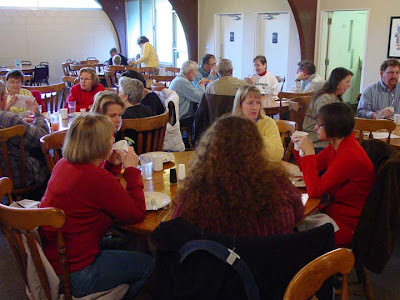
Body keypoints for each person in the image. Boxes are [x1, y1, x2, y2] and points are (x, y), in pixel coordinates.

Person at [40, 114, 154, 299]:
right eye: (111, 136)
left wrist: (111, 165)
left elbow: (93, 194)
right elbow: (136, 214)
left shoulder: (64, 164)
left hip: (58, 258)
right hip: (77, 274)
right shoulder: (96, 179)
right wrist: (132, 169)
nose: (114, 139)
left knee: (132, 243)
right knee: (149, 265)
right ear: (100, 144)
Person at [172, 114, 303, 236]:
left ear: (210, 151)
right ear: (257, 147)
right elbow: (298, 212)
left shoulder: (197, 197)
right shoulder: (280, 185)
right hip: (275, 258)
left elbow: (176, 231)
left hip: (220, 259)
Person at [293, 102, 375, 247]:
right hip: (333, 213)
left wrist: (310, 153)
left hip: (347, 225)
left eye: (320, 125)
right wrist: (299, 147)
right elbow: (307, 167)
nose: (316, 128)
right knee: (291, 223)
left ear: (334, 129)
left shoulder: (350, 154)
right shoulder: (336, 146)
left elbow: (314, 190)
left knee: (293, 233)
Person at [0, 80, 49, 190]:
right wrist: (37, 114)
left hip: (2, 178)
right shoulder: (8, 119)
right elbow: (42, 139)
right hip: (20, 176)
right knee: (56, 156)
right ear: (3, 96)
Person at [302, 67, 353, 151]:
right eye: (347, 82)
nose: (349, 85)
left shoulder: (336, 98)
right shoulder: (324, 98)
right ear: (337, 82)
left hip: (329, 136)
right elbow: (326, 123)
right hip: (317, 138)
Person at [232, 85, 284, 162]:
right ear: (240, 105)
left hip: (261, 169)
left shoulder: (268, 123)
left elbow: (277, 155)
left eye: (258, 103)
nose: (255, 108)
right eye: (250, 103)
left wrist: (256, 135)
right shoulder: (232, 124)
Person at [169, 60, 207, 127]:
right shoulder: (182, 82)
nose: (196, 74)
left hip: (178, 113)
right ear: (190, 72)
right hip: (182, 116)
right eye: (195, 71)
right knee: (206, 118)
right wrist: (201, 84)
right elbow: (200, 97)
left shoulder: (179, 79)